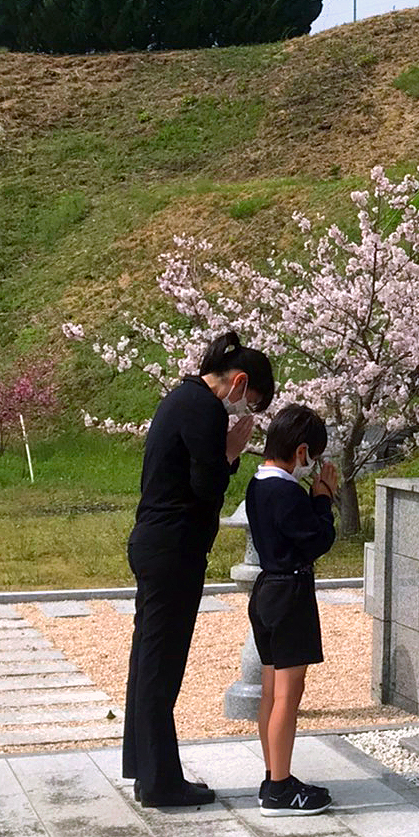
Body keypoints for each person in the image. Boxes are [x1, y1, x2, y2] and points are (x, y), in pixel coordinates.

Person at [123, 330, 274, 807]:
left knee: (148, 657)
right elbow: (207, 486)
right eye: (250, 403)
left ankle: (147, 769)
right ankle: (162, 781)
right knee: (161, 664)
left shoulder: (183, 397)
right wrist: (231, 451)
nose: (244, 414)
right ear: (239, 382)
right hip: (173, 548)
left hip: (156, 542)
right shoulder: (205, 408)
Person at [245, 404, 338, 816]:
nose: (313, 465)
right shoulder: (286, 491)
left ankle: (273, 774)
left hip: (266, 588)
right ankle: (280, 788)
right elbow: (317, 540)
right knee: (288, 694)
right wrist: (323, 499)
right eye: (312, 457)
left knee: (271, 691)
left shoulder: (257, 484)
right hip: (290, 591)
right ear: (301, 451)